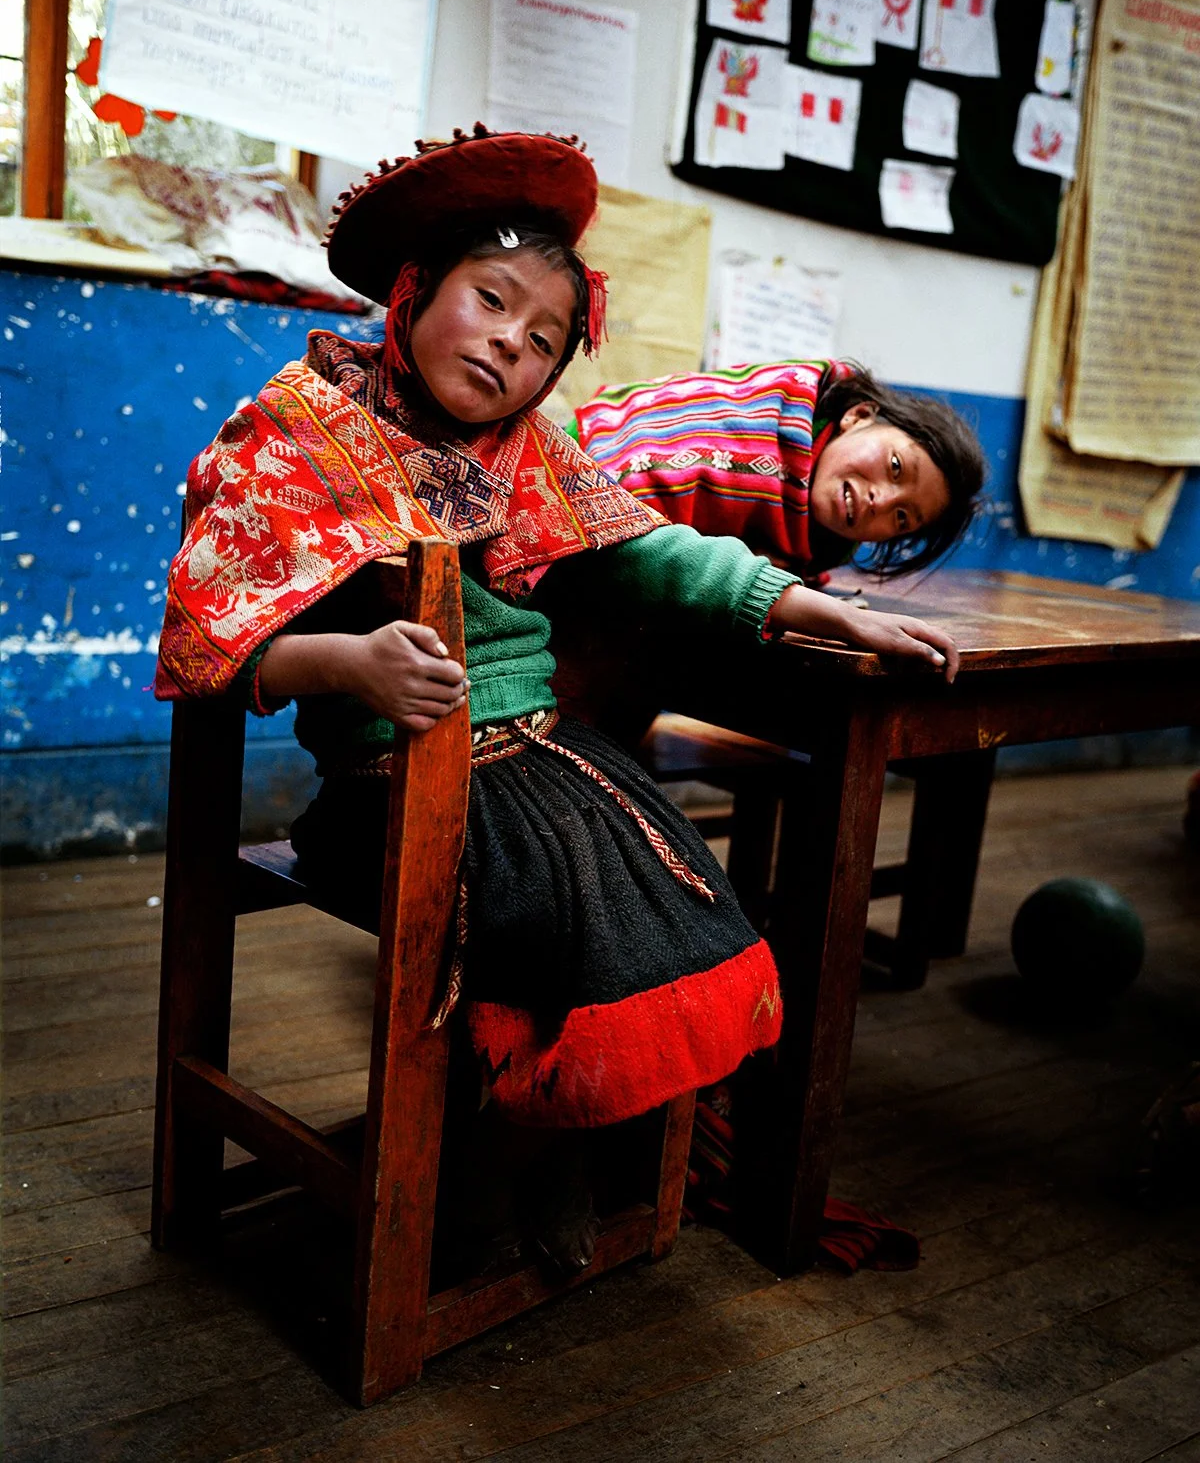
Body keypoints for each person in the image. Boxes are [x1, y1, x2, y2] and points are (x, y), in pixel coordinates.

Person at [155, 125, 962, 1277]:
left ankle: (555, 1147)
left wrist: (832, 613)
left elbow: (661, 555)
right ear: (416, 288)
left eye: (541, 341)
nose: (505, 347)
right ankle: (477, 1170)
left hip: (541, 760)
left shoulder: (529, 453)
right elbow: (213, 642)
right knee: (557, 918)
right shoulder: (292, 432)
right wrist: (349, 666)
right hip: (387, 786)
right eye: (488, 301)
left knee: (691, 898)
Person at [569, 359, 986, 583]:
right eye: (895, 467)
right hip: (563, 482)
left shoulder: (817, 541)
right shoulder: (759, 423)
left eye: (901, 518)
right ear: (858, 416)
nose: (883, 500)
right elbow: (609, 509)